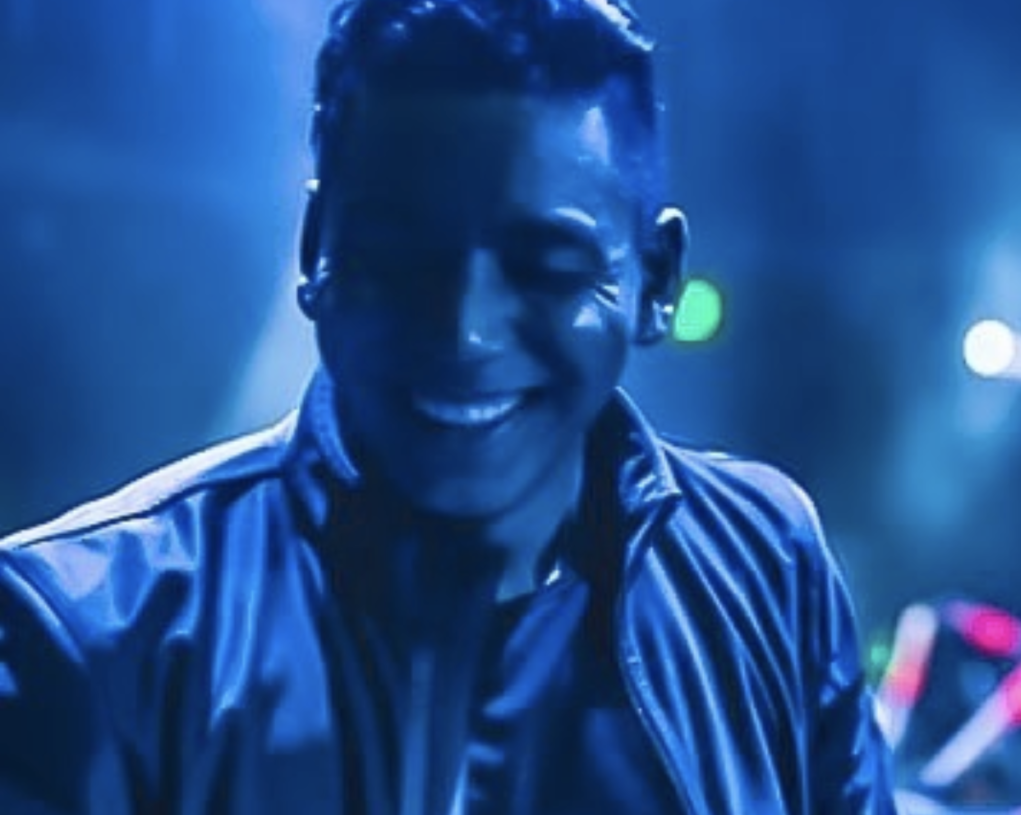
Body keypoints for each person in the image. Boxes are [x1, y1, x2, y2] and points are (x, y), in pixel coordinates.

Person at [0, 1, 897, 812]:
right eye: (399, 256)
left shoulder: (766, 556)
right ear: (315, 253)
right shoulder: (86, 633)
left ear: (656, 283)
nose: (463, 331)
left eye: (544, 265)